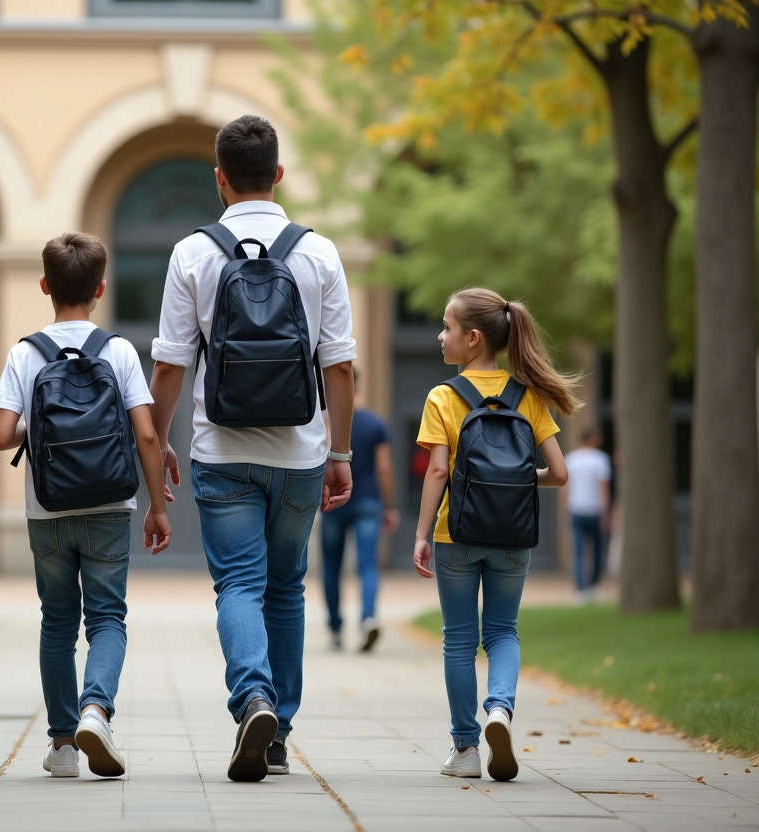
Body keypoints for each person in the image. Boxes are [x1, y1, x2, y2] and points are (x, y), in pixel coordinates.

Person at [147, 114, 356, 782]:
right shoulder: (318, 253)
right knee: (286, 588)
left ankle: (253, 698)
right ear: (280, 175)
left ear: (219, 180)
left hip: (221, 446)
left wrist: (160, 441)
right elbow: (341, 368)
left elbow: (172, 367)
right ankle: (277, 736)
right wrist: (341, 453)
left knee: (238, 582)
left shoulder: (194, 252)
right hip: (299, 452)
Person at [0, 231, 172, 779]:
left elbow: (0, 435)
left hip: (46, 511)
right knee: (108, 618)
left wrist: (36, 424)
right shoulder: (117, 352)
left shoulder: (26, 352)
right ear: (101, 287)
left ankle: (64, 744)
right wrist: (158, 506)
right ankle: (97, 709)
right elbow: (145, 435)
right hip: (111, 505)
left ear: (45, 286)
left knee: (57, 623)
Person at [412, 288, 580, 782]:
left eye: (446, 328)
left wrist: (422, 534)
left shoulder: (443, 396)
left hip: (456, 533)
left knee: (459, 641)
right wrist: (516, 480)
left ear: (472, 338)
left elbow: (439, 473)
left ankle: (465, 750)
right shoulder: (528, 395)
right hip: (513, 535)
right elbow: (560, 473)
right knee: (503, 631)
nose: (440, 336)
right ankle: (500, 712)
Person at [319, 366, 399, 652]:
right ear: (359, 387)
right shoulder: (376, 424)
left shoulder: (327, 424)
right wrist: (388, 505)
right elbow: (385, 467)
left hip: (333, 503)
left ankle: (336, 628)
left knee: (331, 566)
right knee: (368, 565)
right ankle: (368, 618)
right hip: (368, 502)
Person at [563, 430, 612, 603]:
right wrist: (606, 513)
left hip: (576, 509)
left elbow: (565, 486)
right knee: (597, 550)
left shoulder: (571, 459)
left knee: (578, 551)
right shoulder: (600, 459)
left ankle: (580, 589)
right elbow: (603, 487)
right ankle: (593, 585)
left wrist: (566, 508)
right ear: (592, 439)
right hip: (594, 509)